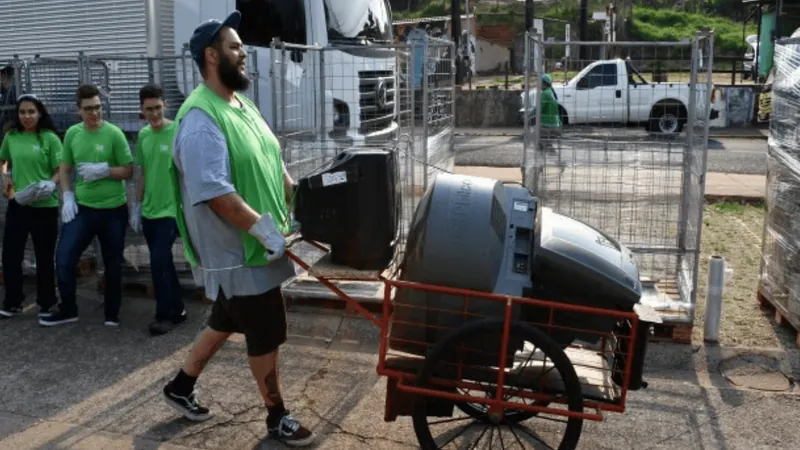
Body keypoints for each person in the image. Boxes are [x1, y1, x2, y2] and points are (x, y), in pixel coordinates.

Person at [161, 11, 315, 447]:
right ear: (211, 56)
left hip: (262, 243)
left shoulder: (239, 103)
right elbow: (215, 193)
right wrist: (262, 231)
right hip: (240, 251)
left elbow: (271, 159)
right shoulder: (199, 119)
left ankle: (179, 386)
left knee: (226, 318)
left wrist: (297, 205)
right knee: (265, 332)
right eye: (234, 46)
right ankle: (275, 416)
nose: (244, 52)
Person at [40, 84, 134, 327]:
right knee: (64, 257)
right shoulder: (72, 134)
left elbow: (128, 170)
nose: (95, 113)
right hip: (83, 208)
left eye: (98, 107)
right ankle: (68, 308)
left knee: (113, 263)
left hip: (114, 210)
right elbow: (65, 167)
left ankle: (112, 313)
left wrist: (105, 170)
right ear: (78, 111)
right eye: (89, 109)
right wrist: (67, 195)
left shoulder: (114, 133)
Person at [130, 84, 186, 336]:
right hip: (150, 211)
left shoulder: (177, 131)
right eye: (148, 109)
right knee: (164, 263)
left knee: (157, 261)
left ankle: (164, 316)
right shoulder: (143, 136)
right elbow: (142, 173)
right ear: (141, 110)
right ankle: (178, 309)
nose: (153, 113)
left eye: (157, 107)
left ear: (165, 105)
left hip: (171, 211)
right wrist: (137, 205)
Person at [0, 94, 61, 319]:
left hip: (44, 204)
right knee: (11, 253)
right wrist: (5, 178)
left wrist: (51, 183)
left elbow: (60, 169)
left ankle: (46, 302)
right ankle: (13, 301)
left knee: (44, 254)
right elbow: (3, 159)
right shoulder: (12, 136)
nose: (27, 117)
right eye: (22, 112)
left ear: (40, 113)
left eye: (31, 112)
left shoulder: (50, 138)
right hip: (19, 202)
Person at [539, 73, 562, 155]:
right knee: (545, 143)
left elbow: (539, 109)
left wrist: (528, 115)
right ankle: (552, 156)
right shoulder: (550, 92)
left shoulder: (545, 94)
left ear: (543, 83)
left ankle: (543, 160)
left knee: (536, 138)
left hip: (548, 124)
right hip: (555, 124)